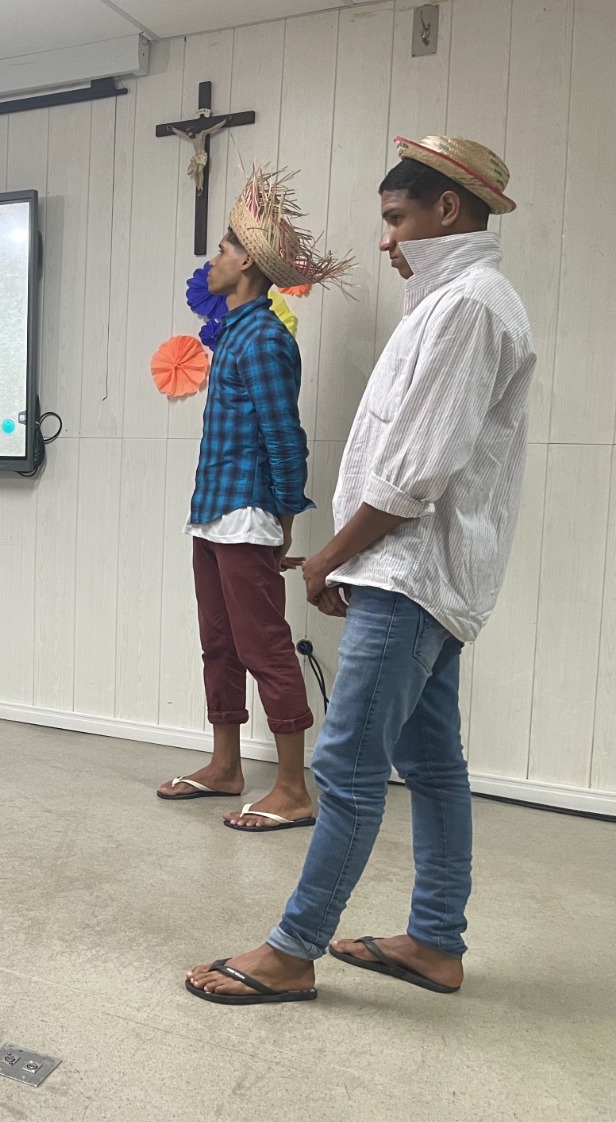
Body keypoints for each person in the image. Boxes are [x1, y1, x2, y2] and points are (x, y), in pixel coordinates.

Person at [187, 136, 532, 1004]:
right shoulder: (450, 301)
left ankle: (293, 950)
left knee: (344, 769)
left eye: (395, 218)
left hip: (408, 576)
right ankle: (435, 942)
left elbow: (415, 474)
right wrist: (346, 554)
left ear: (447, 209)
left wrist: (330, 557)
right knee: (434, 765)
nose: (385, 240)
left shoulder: (469, 307)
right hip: (412, 572)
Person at [159, 166, 352, 833]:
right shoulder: (236, 332)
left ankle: (293, 789)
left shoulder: (267, 338)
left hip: (246, 516)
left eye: (222, 249)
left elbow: (285, 439)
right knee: (218, 643)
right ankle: (226, 766)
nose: (211, 261)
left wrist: (284, 521)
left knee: (264, 646)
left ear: (247, 263)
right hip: (213, 512)